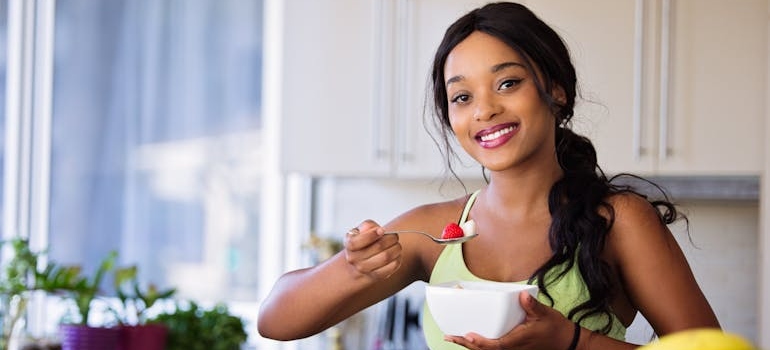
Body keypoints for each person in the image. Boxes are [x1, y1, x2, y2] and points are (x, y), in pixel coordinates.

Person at [257, 2, 720, 349]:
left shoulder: (618, 221)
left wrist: (569, 342)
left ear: (554, 91)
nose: (485, 110)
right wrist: (351, 267)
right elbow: (276, 321)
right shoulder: (434, 233)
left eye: (508, 83)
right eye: (461, 97)